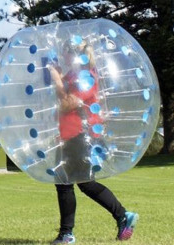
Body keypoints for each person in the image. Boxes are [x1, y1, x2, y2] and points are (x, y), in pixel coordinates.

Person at [48, 38, 139, 244]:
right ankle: (121, 217)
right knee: (76, 183)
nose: (62, 56)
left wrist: (56, 79)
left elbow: (67, 104)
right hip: (69, 136)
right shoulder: (72, 75)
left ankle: (68, 233)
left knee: (74, 183)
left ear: (74, 54)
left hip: (80, 136)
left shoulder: (86, 76)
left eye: (65, 51)